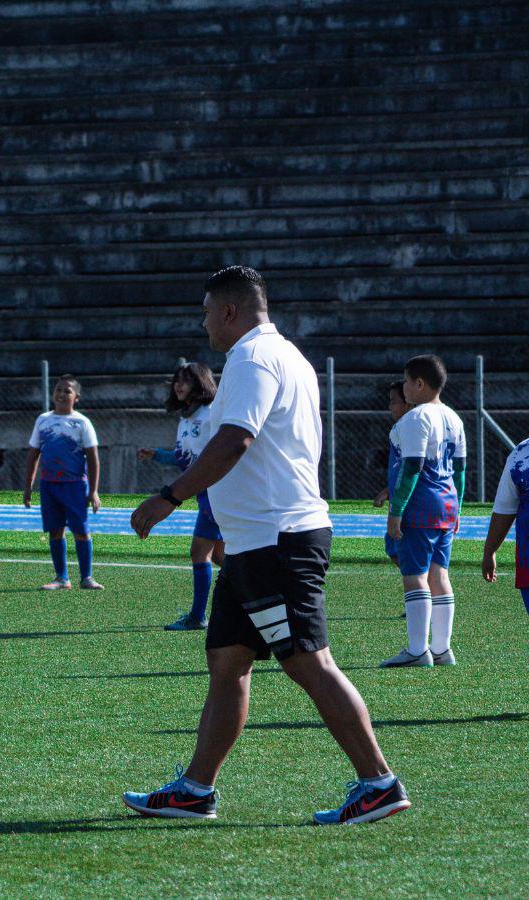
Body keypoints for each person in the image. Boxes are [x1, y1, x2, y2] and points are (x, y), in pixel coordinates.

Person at [125, 265, 408, 826]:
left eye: (207, 311)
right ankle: (196, 789)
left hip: (277, 540)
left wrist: (169, 496)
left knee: (309, 662)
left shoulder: (252, 358)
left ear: (229, 311)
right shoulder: (286, 354)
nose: (204, 322)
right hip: (254, 543)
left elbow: (236, 439)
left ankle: (379, 782)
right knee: (228, 662)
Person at [380, 354, 466, 668]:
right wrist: (458, 508)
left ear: (419, 383)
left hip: (420, 506)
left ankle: (418, 650)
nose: (403, 388)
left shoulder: (416, 418)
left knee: (415, 577)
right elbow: (460, 471)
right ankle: (442, 649)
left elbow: (412, 467)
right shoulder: (454, 418)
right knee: (439, 575)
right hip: (446, 504)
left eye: (406, 381)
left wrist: (397, 510)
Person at [138, 362, 225, 630]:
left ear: (200, 384)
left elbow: (222, 453)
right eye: (177, 380)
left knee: (201, 551)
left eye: (185, 380)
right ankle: (261, 596)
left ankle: (199, 616)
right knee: (222, 557)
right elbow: (183, 458)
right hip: (205, 493)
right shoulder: (186, 418)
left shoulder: (212, 414)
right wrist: (157, 455)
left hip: (217, 491)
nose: (178, 385)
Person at [22, 376, 102, 590]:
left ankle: (87, 577)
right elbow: (33, 454)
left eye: (67, 391)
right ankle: (61, 578)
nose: (61, 394)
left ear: (77, 397)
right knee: (55, 530)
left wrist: (93, 491)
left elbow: (93, 458)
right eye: (58, 390)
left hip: (75, 485)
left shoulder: (82, 422)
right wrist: (28, 486)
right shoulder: (43, 420)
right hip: (49, 485)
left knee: (81, 530)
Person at [482, 437, 529, 617]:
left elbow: (504, 509)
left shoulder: (522, 452)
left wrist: (489, 552)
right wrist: (489, 551)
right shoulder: (521, 452)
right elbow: (505, 510)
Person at [373, 380, 414, 569]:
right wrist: (388, 491)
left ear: (408, 404)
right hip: (399, 497)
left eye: (393, 401)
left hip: (409, 503)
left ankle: (421, 584)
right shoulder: (399, 429)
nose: (390, 406)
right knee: (394, 548)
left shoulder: (409, 429)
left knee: (405, 551)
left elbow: (413, 468)